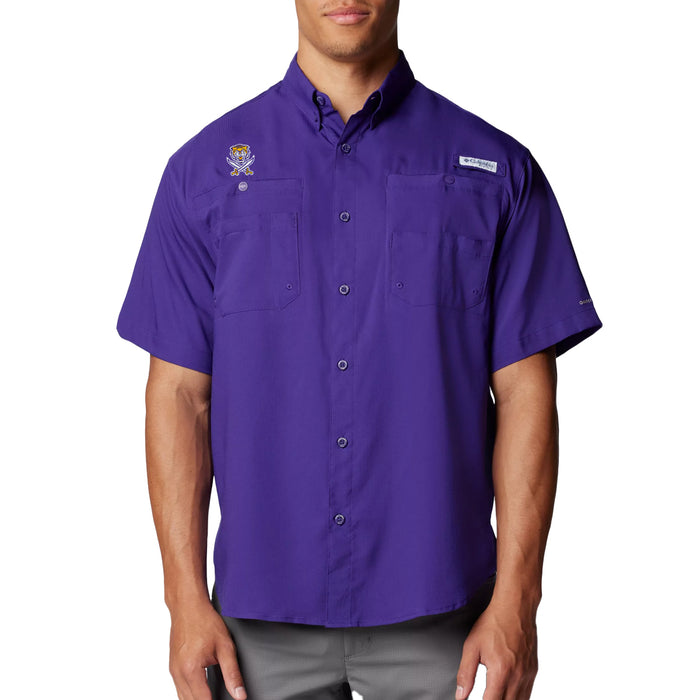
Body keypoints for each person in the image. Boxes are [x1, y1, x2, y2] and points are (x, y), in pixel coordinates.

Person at [116, 1, 604, 698]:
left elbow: (528, 394)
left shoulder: (498, 170)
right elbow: (178, 396)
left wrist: (518, 604)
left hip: (447, 617)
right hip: (256, 623)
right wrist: (184, 602)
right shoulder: (202, 173)